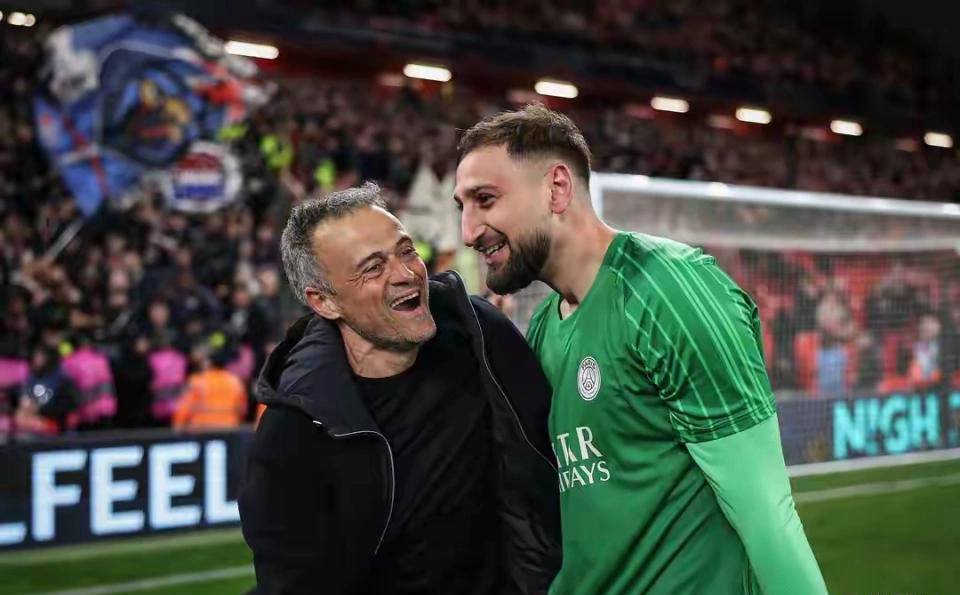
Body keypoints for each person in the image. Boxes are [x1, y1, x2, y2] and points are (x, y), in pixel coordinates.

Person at [454, 105, 826, 595]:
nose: (468, 231)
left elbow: (767, 516)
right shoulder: (543, 327)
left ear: (557, 188)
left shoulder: (670, 292)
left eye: (485, 199)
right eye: (462, 207)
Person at [239, 183, 560, 594]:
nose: (406, 274)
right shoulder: (294, 434)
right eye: (373, 268)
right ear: (324, 302)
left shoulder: (479, 336)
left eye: (407, 251)